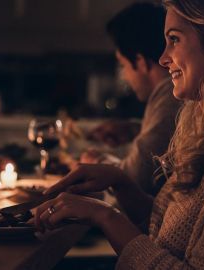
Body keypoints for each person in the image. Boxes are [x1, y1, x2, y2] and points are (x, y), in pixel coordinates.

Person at [33, 0, 204, 269]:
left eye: (174, 39)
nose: (163, 59)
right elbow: (172, 233)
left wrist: (106, 216)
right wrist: (121, 183)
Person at [81, 2, 182, 194]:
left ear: (140, 62)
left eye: (122, 65)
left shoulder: (172, 96)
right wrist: (134, 129)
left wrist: (95, 162)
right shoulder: (167, 96)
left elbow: (136, 179)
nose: (125, 76)